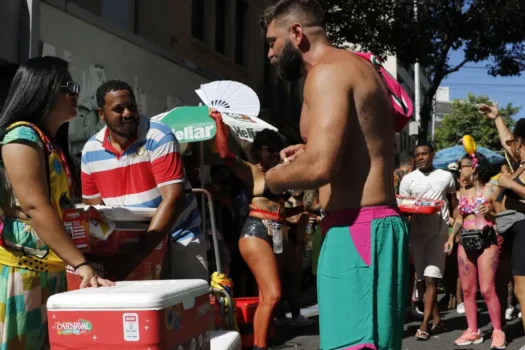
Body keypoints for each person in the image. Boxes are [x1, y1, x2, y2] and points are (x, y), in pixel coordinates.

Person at [259, 1, 409, 349]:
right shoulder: (348, 67)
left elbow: (320, 166)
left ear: (297, 33)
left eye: (272, 42)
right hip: (361, 226)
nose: (269, 54)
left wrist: (267, 179)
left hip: (359, 227)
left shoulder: (327, 72)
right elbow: (342, 148)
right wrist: (305, 149)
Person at [0, 56, 113, 349]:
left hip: (47, 267)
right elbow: (35, 207)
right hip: (21, 271)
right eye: (68, 86)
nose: (76, 94)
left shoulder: (46, 140)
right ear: (42, 89)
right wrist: (81, 264)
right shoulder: (21, 136)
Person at [81, 80, 207, 280]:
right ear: (101, 114)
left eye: (131, 106)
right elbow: (94, 210)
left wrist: (136, 255)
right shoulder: (90, 150)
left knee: (188, 307)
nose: (128, 113)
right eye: (118, 109)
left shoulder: (158, 135)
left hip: (178, 240)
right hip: (127, 249)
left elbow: (173, 200)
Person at [208, 109, 305, 349]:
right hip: (256, 232)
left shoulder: (280, 174)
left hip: (274, 234)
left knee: (266, 297)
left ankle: (262, 343)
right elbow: (225, 154)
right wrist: (220, 124)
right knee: (273, 295)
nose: (274, 153)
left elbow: (280, 210)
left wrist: (302, 211)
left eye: (277, 148)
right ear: (258, 152)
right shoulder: (253, 172)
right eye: (269, 149)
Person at [445, 153, 506, 348]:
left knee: (487, 289)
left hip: (487, 240)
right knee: (467, 289)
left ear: (474, 167)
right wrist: (451, 238)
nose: (460, 169)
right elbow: (461, 218)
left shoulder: (492, 188)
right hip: (465, 241)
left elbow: (502, 214)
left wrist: (489, 212)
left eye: (463, 166)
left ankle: (497, 331)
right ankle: (473, 330)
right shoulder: (464, 191)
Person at [399, 142, 457, 340]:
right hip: (417, 232)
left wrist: (453, 233)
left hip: (439, 233)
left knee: (432, 278)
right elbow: (404, 206)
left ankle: (424, 325)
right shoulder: (408, 180)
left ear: (432, 155)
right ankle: (437, 319)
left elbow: (454, 205)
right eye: (417, 155)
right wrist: (412, 209)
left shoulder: (446, 176)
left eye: (424, 153)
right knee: (422, 279)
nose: (421, 157)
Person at [479, 104, 525, 350]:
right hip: (512, 232)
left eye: (514, 142)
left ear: (520, 142)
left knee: (522, 292)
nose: (510, 145)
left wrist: (511, 184)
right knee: (509, 287)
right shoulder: (520, 162)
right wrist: (497, 117)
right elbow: (507, 139)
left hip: (523, 231)